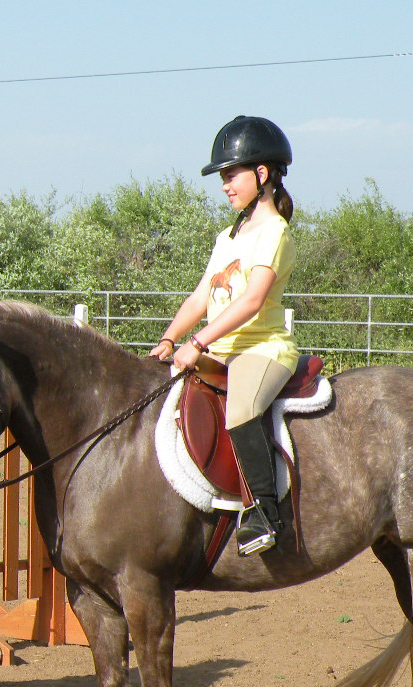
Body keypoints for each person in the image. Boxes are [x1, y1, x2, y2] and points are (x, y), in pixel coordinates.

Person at [149, 115, 298, 556]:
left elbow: (251, 302)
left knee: (241, 410)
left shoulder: (275, 233)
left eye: (231, 176)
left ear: (262, 174)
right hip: (220, 350)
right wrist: (170, 337)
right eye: (224, 178)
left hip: (262, 349)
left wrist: (198, 343)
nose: (225, 185)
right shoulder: (227, 236)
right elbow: (200, 297)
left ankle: (265, 513)